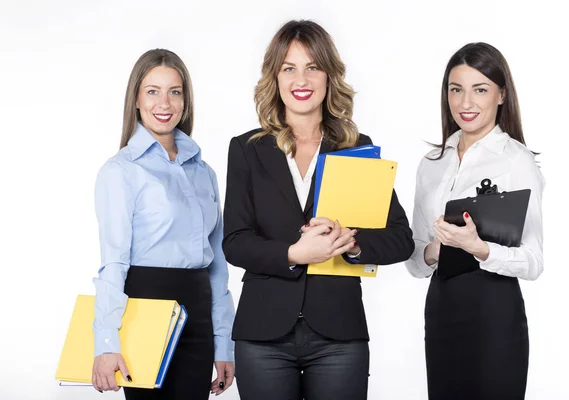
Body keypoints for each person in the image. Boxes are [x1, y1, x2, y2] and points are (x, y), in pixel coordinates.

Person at [222, 20, 415, 400]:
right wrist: (294, 254)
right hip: (263, 336)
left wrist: (353, 245)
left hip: (339, 337)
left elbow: (400, 239)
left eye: (313, 67)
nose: (302, 79)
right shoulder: (246, 148)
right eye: (289, 68)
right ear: (275, 78)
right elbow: (235, 242)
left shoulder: (357, 147)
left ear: (329, 75)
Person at [91, 49, 235, 399]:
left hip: (198, 314)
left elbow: (217, 267)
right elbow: (114, 262)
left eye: (175, 91)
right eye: (152, 91)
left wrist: (224, 342)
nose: (164, 102)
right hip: (145, 309)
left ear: (186, 100)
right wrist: (106, 340)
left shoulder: (204, 173)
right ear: (136, 99)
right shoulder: (121, 170)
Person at [406, 42, 544, 399]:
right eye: (456, 89)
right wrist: (434, 251)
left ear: (501, 95)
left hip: (494, 312)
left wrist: (479, 249)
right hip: (441, 309)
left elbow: (533, 261)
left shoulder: (516, 160)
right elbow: (415, 259)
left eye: (479, 90)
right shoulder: (432, 163)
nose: (465, 103)